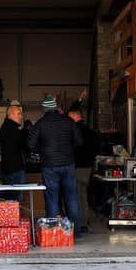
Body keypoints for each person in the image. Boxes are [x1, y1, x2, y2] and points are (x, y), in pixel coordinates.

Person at [29, 94, 83, 238]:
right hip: (68, 164)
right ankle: (76, 232)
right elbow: (79, 141)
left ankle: (53, 233)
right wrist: (68, 151)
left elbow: (30, 144)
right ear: (55, 107)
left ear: (44, 109)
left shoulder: (40, 124)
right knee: (71, 197)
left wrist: (43, 151)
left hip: (49, 166)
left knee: (52, 198)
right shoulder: (68, 121)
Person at [67, 106, 99, 233]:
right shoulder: (90, 131)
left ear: (75, 116)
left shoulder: (74, 130)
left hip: (76, 167)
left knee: (74, 196)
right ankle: (84, 222)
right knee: (84, 195)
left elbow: (73, 148)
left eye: (69, 118)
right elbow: (97, 147)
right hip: (88, 168)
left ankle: (77, 223)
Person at [0, 103, 26, 201]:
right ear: (11, 114)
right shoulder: (12, 129)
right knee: (15, 201)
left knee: (10, 201)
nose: (21, 117)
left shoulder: (6, 127)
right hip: (15, 170)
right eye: (19, 114)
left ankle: (12, 216)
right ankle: (14, 216)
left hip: (9, 169)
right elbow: (23, 146)